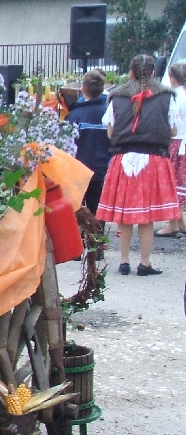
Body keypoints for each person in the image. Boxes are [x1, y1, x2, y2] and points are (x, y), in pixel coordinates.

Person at [97, 54, 180, 276]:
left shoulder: (116, 96)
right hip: (154, 159)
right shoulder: (166, 96)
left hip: (123, 159)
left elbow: (111, 132)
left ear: (131, 72)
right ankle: (144, 262)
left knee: (124, 215)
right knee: (147, 216)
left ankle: (124, 261)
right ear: (153, 73)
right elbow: (173, 130)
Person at [65, 68, 111, 215]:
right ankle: (98, 230)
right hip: (101, 169)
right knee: (98, 209)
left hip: (79, 169)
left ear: (83, 89)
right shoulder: (108, 112)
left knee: (77, 209)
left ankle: (80, 231)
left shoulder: (75, 114)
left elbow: (67, 143)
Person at [156, 62, 186, 236]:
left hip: (177, 141)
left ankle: (174, 224)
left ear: (173, 78)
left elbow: (170, 122)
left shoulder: (175, 97)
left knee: (172, 183)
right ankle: (180, 223)